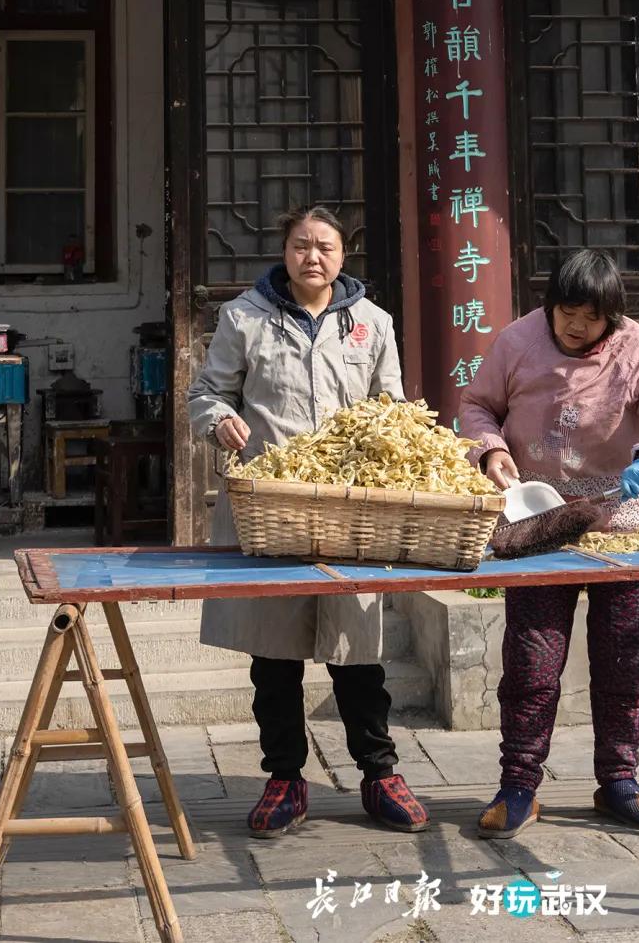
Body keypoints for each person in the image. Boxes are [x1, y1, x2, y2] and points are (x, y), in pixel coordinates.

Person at [188, 204, 428, 838]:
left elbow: (394, 407)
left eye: (324, 246)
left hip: (352, 510)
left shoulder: (372, 323)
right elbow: (205, 394)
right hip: (272, 505)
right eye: (300, 245)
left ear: (343, 256)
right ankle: (284, 778)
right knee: (275, 651)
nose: (312, 257)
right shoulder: (243, 317)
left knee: (357, 650)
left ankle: (379, 775)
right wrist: (218, 420)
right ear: (284, 251)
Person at [458, 247, 639, 839]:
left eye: (592, 317)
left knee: (626, 652)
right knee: (533, 658)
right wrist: (491, 449)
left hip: (624, 515)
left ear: (613, 317)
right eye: (567, 311)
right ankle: (519, 785)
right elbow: (476, 406)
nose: (576, 325)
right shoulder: (518, 341)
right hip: (538, 512)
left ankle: (619, 780)